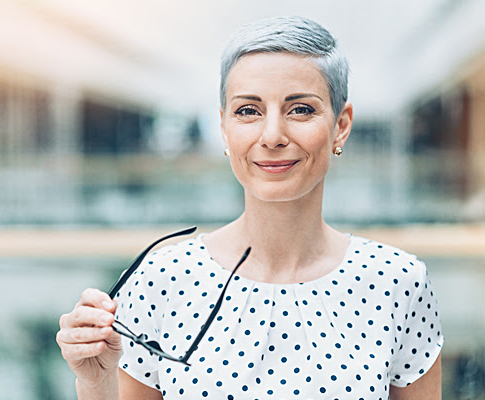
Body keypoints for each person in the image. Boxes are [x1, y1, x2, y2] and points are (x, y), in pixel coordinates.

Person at [56, 16, 444, 399]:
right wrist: (96, 386)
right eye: (248, 111)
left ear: (341, 126)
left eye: (300, 110)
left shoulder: (398, 282)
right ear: (225, 128)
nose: (272, 135)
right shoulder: (160, 281)